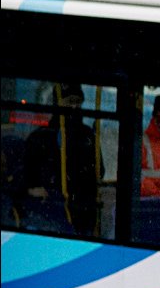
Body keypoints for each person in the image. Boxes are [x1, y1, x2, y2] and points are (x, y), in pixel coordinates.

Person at [21, 84, 101, 233]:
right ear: (58, 103)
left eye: (79, 101)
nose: (75, 106)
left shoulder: (88, 135)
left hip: (81, 211)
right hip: (49, 210)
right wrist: (33, 189)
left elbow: (98, 171)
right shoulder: (40, 137)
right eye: (70, 101)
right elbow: (27, 175)